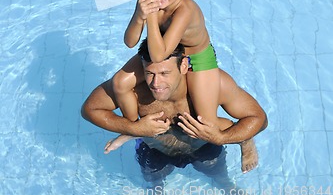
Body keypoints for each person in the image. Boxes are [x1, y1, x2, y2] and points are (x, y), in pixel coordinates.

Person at [81, 39, 268, 175]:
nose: (156, 83)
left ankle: (242, 149)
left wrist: (222, 137)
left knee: (218, 175)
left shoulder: (212, 84)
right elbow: (90, 109)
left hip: (203, 144)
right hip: (157, 147)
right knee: (153, 182)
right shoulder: (135, 88)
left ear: (184, 66)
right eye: (149, 73)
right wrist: (132, 127)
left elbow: (260, 119)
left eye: (164, 73)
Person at [111, 0, 222, 151]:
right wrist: (139, 14)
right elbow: (129, 42)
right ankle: (133, 128)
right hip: (164, 50)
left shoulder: (185, 10)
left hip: (196, 57)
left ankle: (244, 138)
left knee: (206, 124)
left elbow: (158, 55)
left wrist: (151, 16)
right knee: (120, 83)